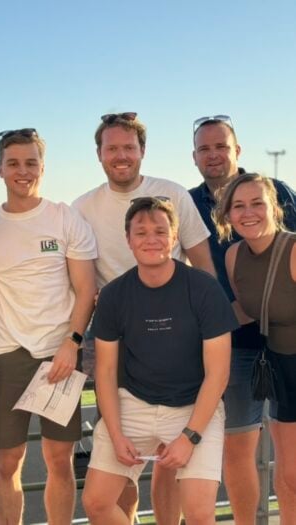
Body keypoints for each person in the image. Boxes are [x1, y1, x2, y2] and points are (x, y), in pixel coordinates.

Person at [72, 111, 215, 524]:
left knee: (171, 456)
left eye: (128, 147)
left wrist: (205, 327)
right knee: (122, 458)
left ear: (142, 151)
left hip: (177, 339)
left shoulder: (172, 194)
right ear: (99, 154)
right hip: (117, 342)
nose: (121, 155)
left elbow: (203, 266)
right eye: (112, 148)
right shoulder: (82, 208)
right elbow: (80, 282)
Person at [82, 197, 238, 525]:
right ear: (128, 239)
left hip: (193, 405)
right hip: (134, 403)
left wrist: (190, 436)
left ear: (175, 237)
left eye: (160, 231)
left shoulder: (204, 289)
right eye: (141, 232)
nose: (150, 239)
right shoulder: (113, 295)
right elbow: (105, 372)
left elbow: (218, 373)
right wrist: (116, 434)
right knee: (96, 503)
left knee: (199, 514)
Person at [0, 128, 97, 525]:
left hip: (59, 356)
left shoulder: (65, 217)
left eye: (30, 162)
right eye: (13, 163)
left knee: (60, 460)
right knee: (7, 462)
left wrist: (72, 343)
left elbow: (86, 290)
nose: (22, 171)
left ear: (43, 167)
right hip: (6, 356)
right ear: (0, 169)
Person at [190, 115, 296, 524]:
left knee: (290, 464)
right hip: (235, 347)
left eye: (221, 146)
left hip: (286, 348)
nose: (213, 155)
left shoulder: (278, 191)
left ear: (237, 150)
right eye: (204, 148)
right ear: (194, 156)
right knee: (239, 451)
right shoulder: (189, 204)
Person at [214, 172, 296, 525]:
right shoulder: (234, 256)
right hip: (279, 367)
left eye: (257, 203)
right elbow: (245, 312)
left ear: (274, 207)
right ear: (227, 215)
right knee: (289, 475)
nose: (248, 213)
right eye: (239, 206)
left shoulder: (293, 250)